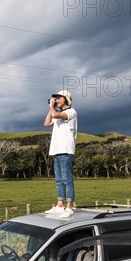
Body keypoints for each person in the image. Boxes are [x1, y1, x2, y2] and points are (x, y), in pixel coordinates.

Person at [44, 90, 77, 218]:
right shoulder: (57, 114)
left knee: (66, 179)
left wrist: (52, 107)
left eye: (58, 98)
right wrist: (50, 108)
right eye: (55, 98)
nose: (56, 99)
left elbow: (56, 115)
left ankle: (69, 206)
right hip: (57, 150)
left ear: (66, 99)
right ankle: (59, 205)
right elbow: (46, 123)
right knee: (59, 180)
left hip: (66, 149)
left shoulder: (70, 112)